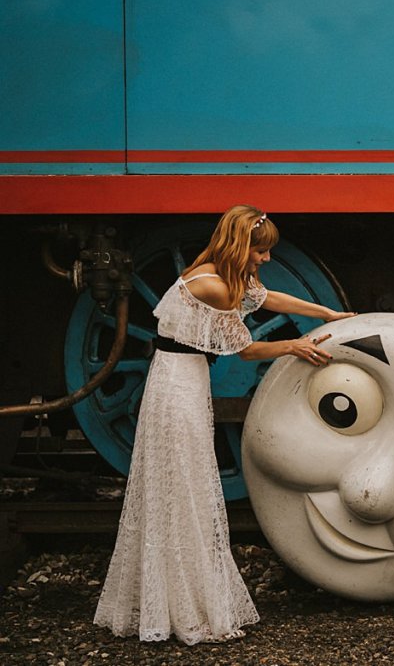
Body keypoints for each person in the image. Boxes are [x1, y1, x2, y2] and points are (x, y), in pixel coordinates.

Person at [94, 205, 354, 644]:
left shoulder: (219, 273)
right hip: (178, 387)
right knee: (185, 485)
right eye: (261, 250)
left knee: (184, 485)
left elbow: (267, 298)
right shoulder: (213, 287)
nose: (266, 259)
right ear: (240, 245)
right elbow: (247, 350)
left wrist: (324, 313)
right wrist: (296, 345)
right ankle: (182, 607)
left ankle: (178, 597)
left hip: (183, 379)